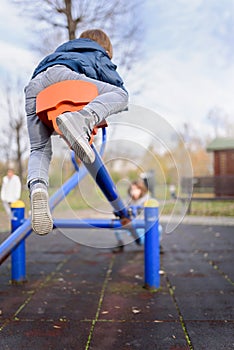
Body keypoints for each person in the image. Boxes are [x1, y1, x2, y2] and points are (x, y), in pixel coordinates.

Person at [24, 29, 129, 235]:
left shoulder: (62, 51)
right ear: (106, 48)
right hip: (65, 77)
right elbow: (114, 83)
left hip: (34, 87)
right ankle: (81, 120)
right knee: (121, 95)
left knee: (38, 148)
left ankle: (37, 187)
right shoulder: (98, 52)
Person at [113, 179, 163, 253]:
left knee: (159, 228)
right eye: (132, 189)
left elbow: (152, 214)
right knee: (117, 229)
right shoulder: (128, 200)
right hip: (132, 225)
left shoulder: (147, 199)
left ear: (141, 190)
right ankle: (120, 244)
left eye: (137, 189)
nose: (134, 192)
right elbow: (123, 211)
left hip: (143, 226)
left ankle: (157, 244)